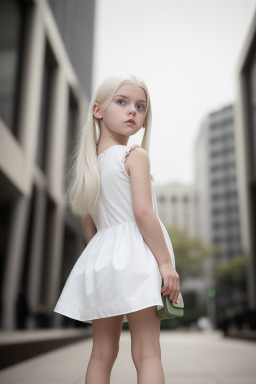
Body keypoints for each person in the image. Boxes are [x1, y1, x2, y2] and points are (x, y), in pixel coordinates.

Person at [54, 73, 180, 383]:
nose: (132, 111)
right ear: (97, 110)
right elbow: (143, 214)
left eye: (140, 106)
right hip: (138, 261)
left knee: (100, 353)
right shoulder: (134, 156)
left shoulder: (90, 168)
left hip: (103, 262)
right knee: (148, 352)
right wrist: (165, 263)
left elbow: (90, 232)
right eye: (122, 102)